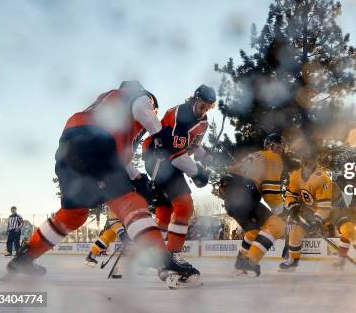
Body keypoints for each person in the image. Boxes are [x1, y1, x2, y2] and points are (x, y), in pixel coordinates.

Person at [6, 81, 199, 288]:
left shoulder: (106, 106)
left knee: (73, 214)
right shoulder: (138, 97)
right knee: (129, 203)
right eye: (154, 109)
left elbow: (119, 160)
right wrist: (160, 134)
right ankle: (163, 260)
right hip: (96, 144)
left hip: (69, 150)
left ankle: (24, 259)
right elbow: (144, 114)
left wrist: (137, 177)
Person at [142, 84, 215, 275]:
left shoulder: (203, 121)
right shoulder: (180, 115)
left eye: (209, 106)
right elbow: (175, 154)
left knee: (165, 211)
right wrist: (197, 173)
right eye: (202, 105)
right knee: (184, 205)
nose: (205, 109)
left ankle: (153, 253)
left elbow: (191, 145)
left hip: (170, 159)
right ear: (194, 99)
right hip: (159, 158)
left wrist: (203, 154)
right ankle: (172, 255)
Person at [218, 133, 287, 276]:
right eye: (278, 146)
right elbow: (270, 190)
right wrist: (281, 211)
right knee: (278, 225)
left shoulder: (254, 156)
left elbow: (226, 179)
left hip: (232, 202)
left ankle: (240, 263)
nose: (280, 150)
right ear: (269, 146)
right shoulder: (273, 157)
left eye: (282, 147)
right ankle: (250, 262)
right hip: (245, 197)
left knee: (254, 231)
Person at [279, 154, 332, 272]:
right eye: (305, 159)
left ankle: (338, 259)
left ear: (315, 160)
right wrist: (292, 205)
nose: (307, 162)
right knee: (295, 231)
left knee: (339, 230)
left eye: (310, 159)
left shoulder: (323, 177)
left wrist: (317, 221)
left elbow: (324, 206)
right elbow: (290, 194)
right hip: (307, 211)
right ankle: (293, 260)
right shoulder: (296, 175)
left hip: (325, 212)